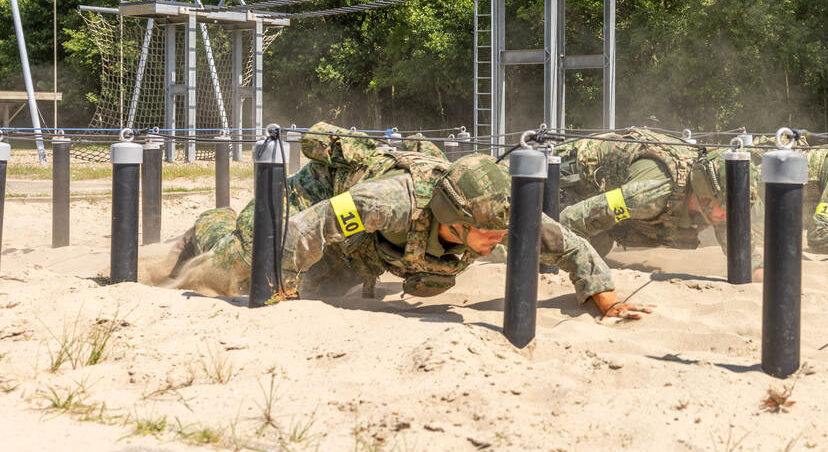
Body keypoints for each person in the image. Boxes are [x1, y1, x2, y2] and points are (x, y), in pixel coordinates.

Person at [170, 126, 646, 319]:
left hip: (366, 251)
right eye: (489, 235)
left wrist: (604, 300)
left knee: (329, 292)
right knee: (235, 270)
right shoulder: (393, 201)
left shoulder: (498, 212)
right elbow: (311, 227)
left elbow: (573, 246)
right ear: (456, 222)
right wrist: (282, 290)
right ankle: (212, 222)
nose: (502, 240)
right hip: (308, 203)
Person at [553, 128, 764, 278]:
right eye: (727, 210)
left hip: (607, 195)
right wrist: (592, 281)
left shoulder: (723, 206)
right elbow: (570, 220)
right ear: (704, 196)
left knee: (599, 243)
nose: (731, 218)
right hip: (568, 173)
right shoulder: (652, 192)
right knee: (569, 246)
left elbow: (750, 262)